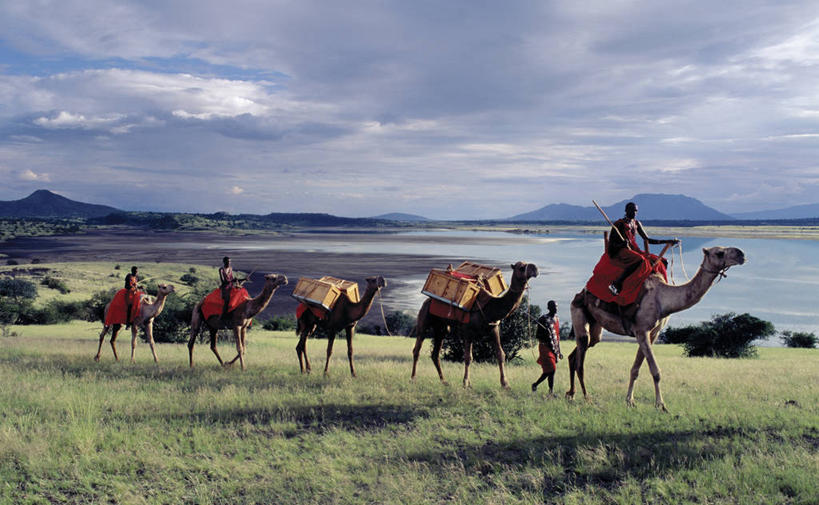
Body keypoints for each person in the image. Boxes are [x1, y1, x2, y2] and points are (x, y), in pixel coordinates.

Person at [607, 202, 679, 296]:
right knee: (640, 260)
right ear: (626, 211)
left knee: (662, 262)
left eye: (635, 211)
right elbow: (612, 244)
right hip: (621, 250)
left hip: (633, 249)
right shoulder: (619, 224)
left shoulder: (636, 223)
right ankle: (616, 284)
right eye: (632, 210)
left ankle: (657, 286)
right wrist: (622, 244)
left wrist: (667, 241)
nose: (634, 213)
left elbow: (647, 240)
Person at [532, 300, 563, 395]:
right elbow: (538, 335)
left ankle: (537, 385)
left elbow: (557, 336)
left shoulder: (557, 319)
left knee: (549, 371)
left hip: (554, 348)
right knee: (552, 369)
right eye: (553, 306)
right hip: (545, 347)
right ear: (548, 308)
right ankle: (550, 392)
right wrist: (545, 333)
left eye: (556, 306)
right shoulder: (543, 319)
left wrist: (559, 351)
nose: (556, 308)